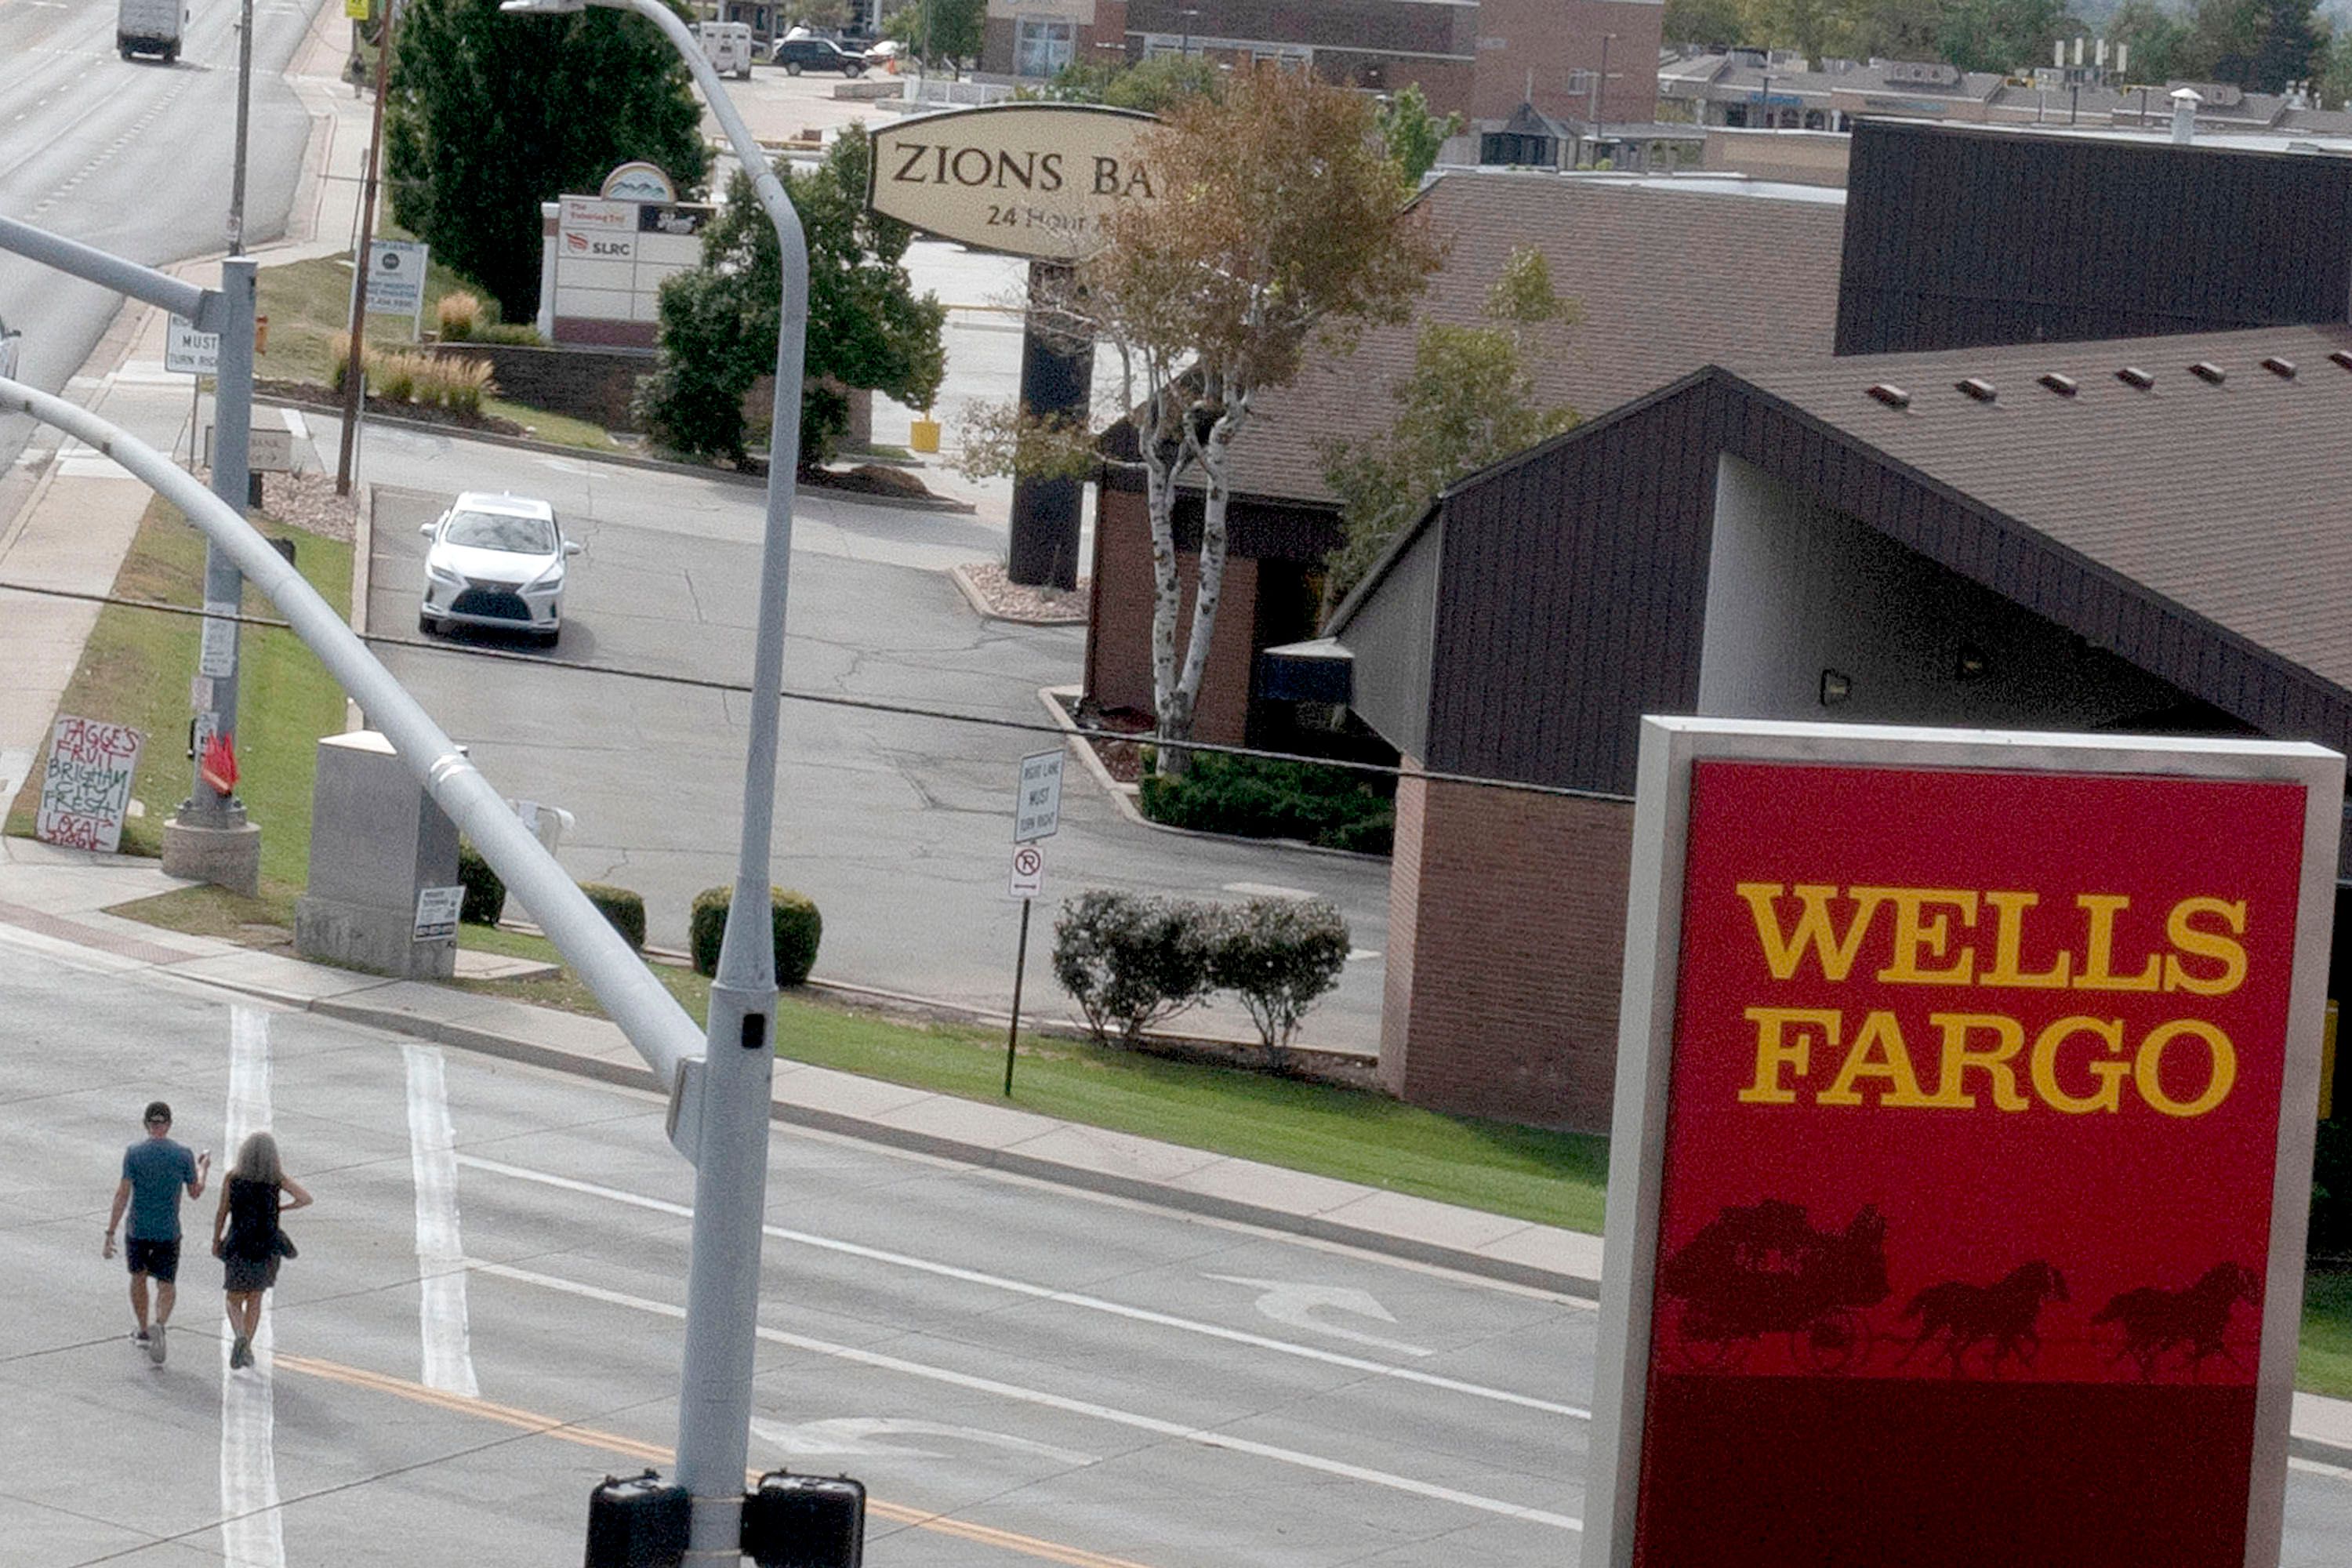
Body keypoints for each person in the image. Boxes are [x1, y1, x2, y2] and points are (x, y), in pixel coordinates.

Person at [103, 1101, 209, 1366]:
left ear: (147, 1124)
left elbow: (122, 1194)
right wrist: (204, 1168)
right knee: (166, 1283)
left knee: (138, 1278)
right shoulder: (183, 1154)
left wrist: (110, 1232)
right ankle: (160, 1323)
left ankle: (142, 1330)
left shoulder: (134, 1153)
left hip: (138, 1228)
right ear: (169, 1124)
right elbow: (195, 1193)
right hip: (168, 1230)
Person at [210, 1131, 312, 1370]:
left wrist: (216, 1240)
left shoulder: (233, 1178)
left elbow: (222, 1211)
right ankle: (247, 1348)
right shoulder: (276, 1179)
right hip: (267, 1245)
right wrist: (281, 1208)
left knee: (234, 1299)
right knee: (255, 1297)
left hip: (239, 1243)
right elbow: (305, 1198)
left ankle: (241, 1336)